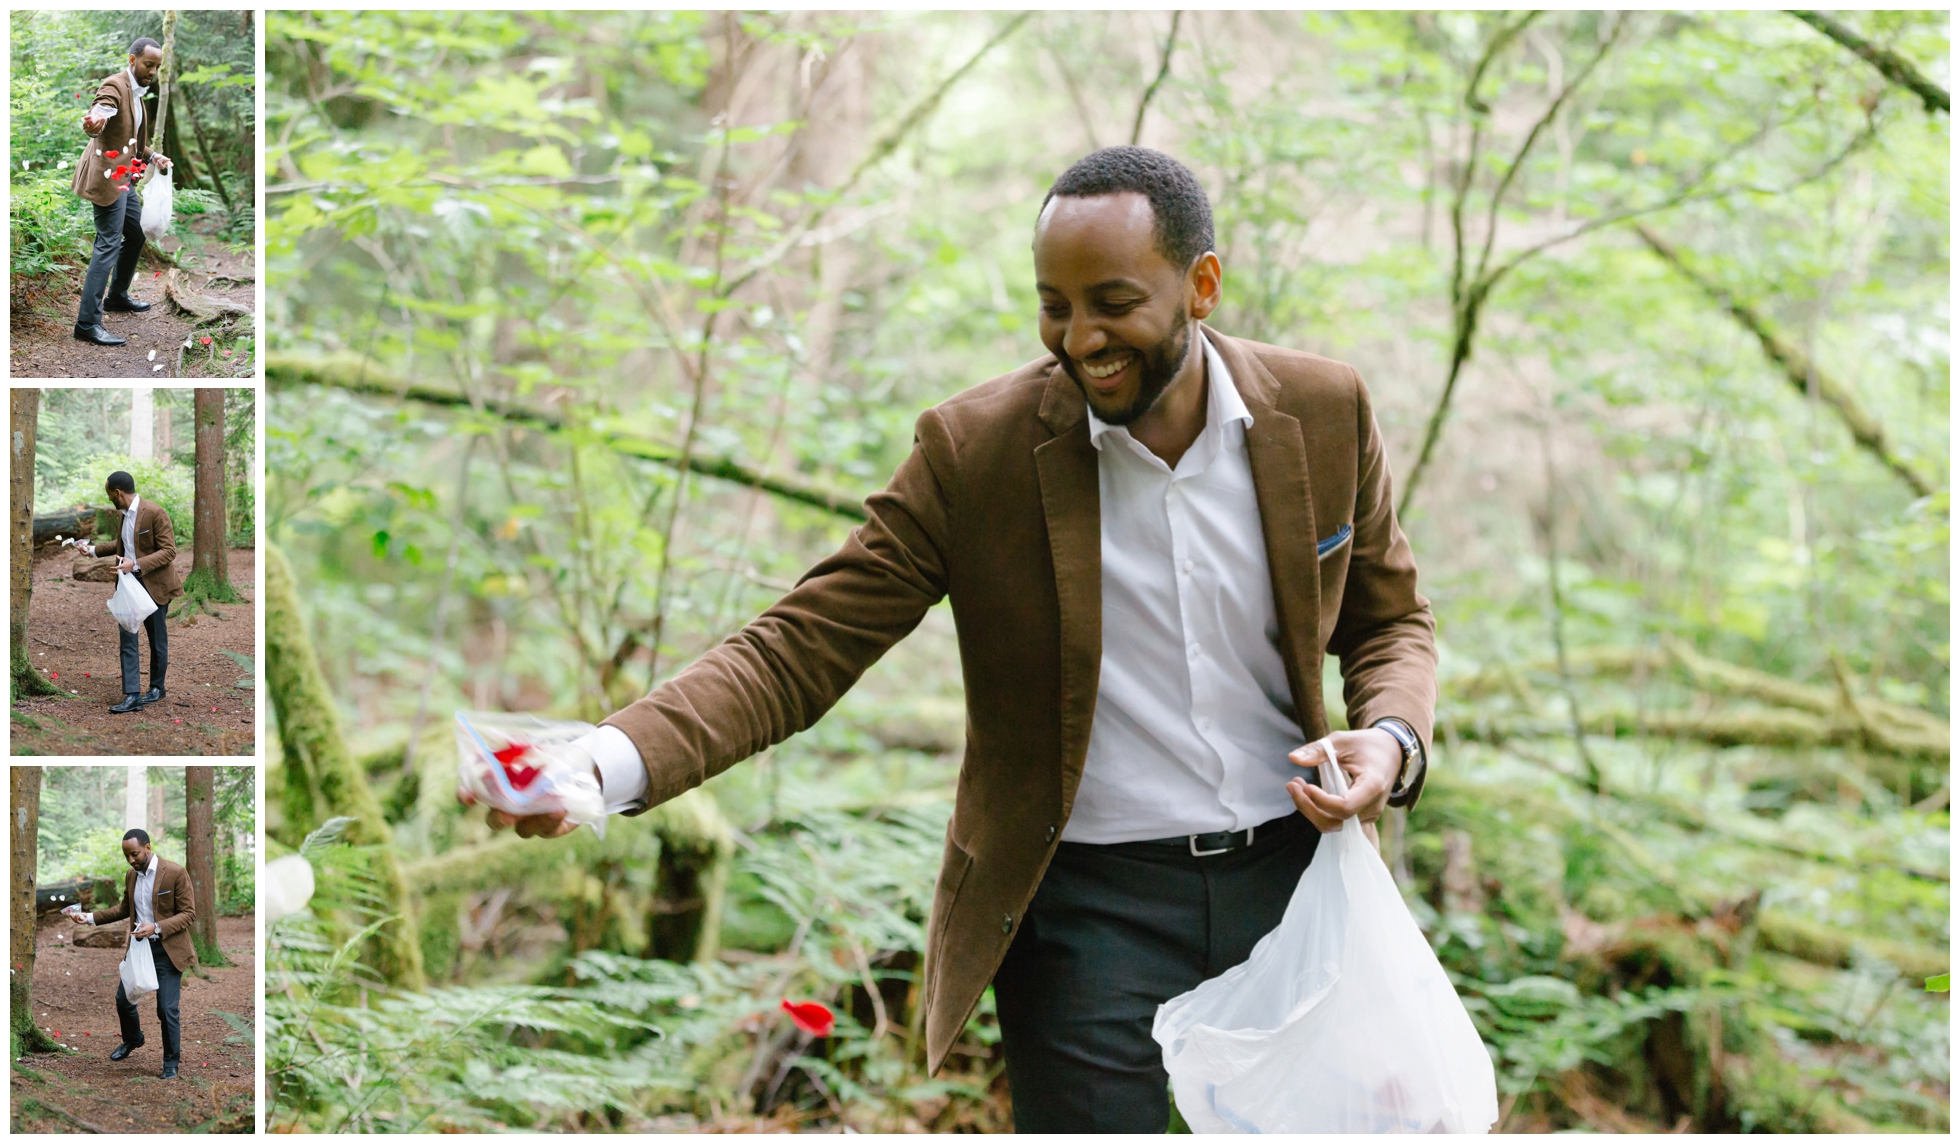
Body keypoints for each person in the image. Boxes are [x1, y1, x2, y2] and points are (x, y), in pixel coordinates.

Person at [465, 147, 1436, 1132]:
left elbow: (1389, 618)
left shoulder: (1322, 411)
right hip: (1087, 919)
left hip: (1299, 882)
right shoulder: (976, 454)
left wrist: (1390, 740)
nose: (1080, 337)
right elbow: (800, 645)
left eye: (1111, 301)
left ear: (1202, 284)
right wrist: (604, 759)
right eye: (1053, 305)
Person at [60, 829, 196, 1080]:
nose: (131, 860)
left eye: (134, 854)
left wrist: (155, 927)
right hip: (139, 950)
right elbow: (124, 908)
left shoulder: (175, 873)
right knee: (124, 1000)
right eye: (127, 856)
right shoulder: (131, 876)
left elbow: (189, 914)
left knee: (166, 1010)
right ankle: (134, 1039)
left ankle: (170, 1062)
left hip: (169, 952)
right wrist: (88, 918)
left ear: (147, 847)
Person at [71, 37, 172, 348]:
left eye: (157, 67)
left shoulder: (137, 93)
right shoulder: (115, 85)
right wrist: (95, 122)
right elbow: (102, 111)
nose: (153, 71)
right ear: (132, 60)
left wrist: (154, 157)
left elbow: (133, 142)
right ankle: (87, 323)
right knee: (107, 244)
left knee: (137, 233)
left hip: (125, 178)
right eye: (148, 64)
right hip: (107, 178)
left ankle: (117, 296)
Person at [80, 470, 180, 712]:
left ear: (118, 493)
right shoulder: (124, 515)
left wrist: (135, 564)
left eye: (109, 495)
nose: (109, 500)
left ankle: (157, 688)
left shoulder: (155, 512)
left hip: (155, 585)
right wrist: (92, 550)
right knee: (128, 638)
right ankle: (132, 695)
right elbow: (123, 544)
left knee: (157, 639)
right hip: (128, 585)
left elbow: (169, 551)